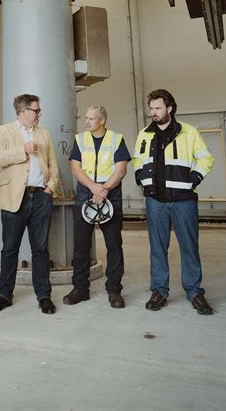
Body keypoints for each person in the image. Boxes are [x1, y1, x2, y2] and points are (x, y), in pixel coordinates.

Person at [133, 89, 215, 315]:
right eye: (151, 108)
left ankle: (195, 292)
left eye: (158, 108)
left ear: (169, 108)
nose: (154, 112)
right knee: (157, 248)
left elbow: (206, 157)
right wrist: (142, 179)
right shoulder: (145, 134)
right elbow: (137, 159)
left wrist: (193, 178)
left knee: (189, 247)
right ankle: (159, 290)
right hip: (155, 201)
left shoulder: (188, 132)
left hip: (183, 201)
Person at [0, 94, 61, 314]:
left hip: (41, 197)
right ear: (22, 112)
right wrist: (23, 150)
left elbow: (53, 164)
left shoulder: (44, 133)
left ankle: (44, 296)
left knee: (40, 249)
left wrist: (51, 186)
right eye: (36, 110)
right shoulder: (2, 132)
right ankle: (4, 295)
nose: (39, 114)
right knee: (10, 249)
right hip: (13, 198)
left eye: (39, 111)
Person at [63, 105, 131, 309]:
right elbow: (75, 167)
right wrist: (93, 187)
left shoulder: (117, 139)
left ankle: (114, 290)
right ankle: (80, 289)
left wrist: (104, 189)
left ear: (102, 120)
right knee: (81, 246)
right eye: (86, 118)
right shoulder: (80, 139)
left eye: (91, 118)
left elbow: (121, 168)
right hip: (86, 192)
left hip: (110, 194)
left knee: (114, 245)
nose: (86, 122)